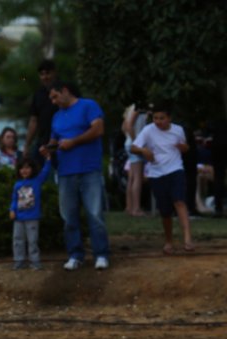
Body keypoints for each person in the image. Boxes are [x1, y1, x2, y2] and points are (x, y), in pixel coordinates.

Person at [41, 80, 110, 271]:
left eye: (55, 96)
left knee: (94, 214)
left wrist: (74, 142)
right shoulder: (56, 117)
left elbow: (98, 129)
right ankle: (75, 254)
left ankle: (101, 254)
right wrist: (48, 148)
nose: (53, 101)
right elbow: (54, 140)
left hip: (89, 169)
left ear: (65, 90)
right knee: (68, 216)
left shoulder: (88, 105)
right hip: (65, 171)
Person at [130, 106, 194, 254]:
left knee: (179, 201)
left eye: (161, 118)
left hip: (175, 169)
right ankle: (169, 241)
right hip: (156, 173)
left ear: (169, 118)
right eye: (155, 118)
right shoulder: (148, 130)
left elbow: (185, 148)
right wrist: (143, 150)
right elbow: (133, 148)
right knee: (165, 211)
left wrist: (183, 147)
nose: (158, 121)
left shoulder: (178, 130)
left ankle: (187, 238)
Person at [9, 156, 52, 270]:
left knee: (32, 240)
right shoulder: (17, 184)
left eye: (27, 168)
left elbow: (45, 172)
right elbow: (14, 199)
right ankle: (19, 260)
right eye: (22, 168)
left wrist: (48, 160)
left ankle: (35, 261)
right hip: (18, 218)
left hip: (32, 217)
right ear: (18, 170)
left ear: (32, 169)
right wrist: (12, 210)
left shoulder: (37, 181)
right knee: (17, 239)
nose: (25, 170)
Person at [23, 60, 58, 165]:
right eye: (42, 74)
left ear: (54, 73)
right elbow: (33, 121)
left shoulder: (64, 90)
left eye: (47, 73)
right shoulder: (38, 95)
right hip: (43, 142)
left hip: (62, 142)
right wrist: (27, 145)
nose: (45, 77)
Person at [122, 104, 149, 216]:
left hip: (129, 143)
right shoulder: (139, 108)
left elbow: (124, 126)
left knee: (132, 177)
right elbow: (128, 126)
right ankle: (136, 208)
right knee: (138, 177)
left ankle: (129, 207)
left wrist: (129, 139)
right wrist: (136, 142)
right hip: (135, 144)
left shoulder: (130, 108)